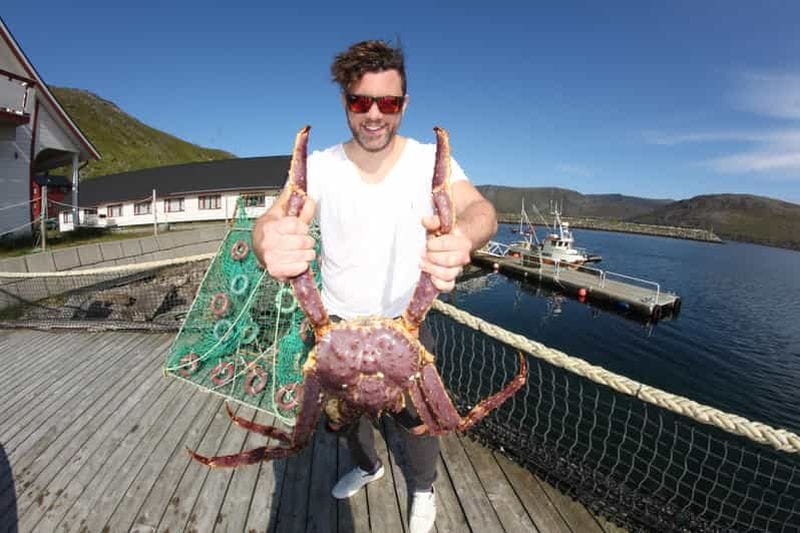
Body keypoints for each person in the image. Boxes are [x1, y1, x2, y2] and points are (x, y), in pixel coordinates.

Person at [253, 39, 497, 533]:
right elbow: (273, 219)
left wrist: (465, 236)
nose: (373, 115)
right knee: (342, 418)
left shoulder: (431, 161)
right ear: (345, 101)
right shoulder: (319, 166)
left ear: (403, 105)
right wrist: (267, 242)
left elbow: (481, 210)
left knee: (418, 420)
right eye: (360, 101)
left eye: (387, 102)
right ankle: (367, 466)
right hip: (334, 327)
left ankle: (423, 487)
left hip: (407, 325)